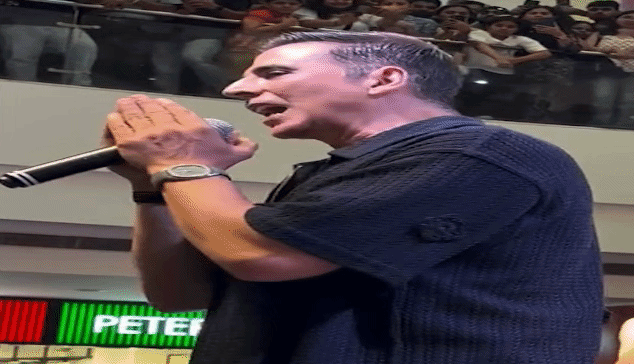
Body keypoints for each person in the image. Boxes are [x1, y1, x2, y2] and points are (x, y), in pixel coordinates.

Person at [103, 30, 603, 364]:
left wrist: (182, 164)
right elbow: (180, 295)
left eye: (272, 74)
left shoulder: (478, 154)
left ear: (383, 78)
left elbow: (260, 256)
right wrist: (152, 187)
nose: (236, 88)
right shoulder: (331, 174)